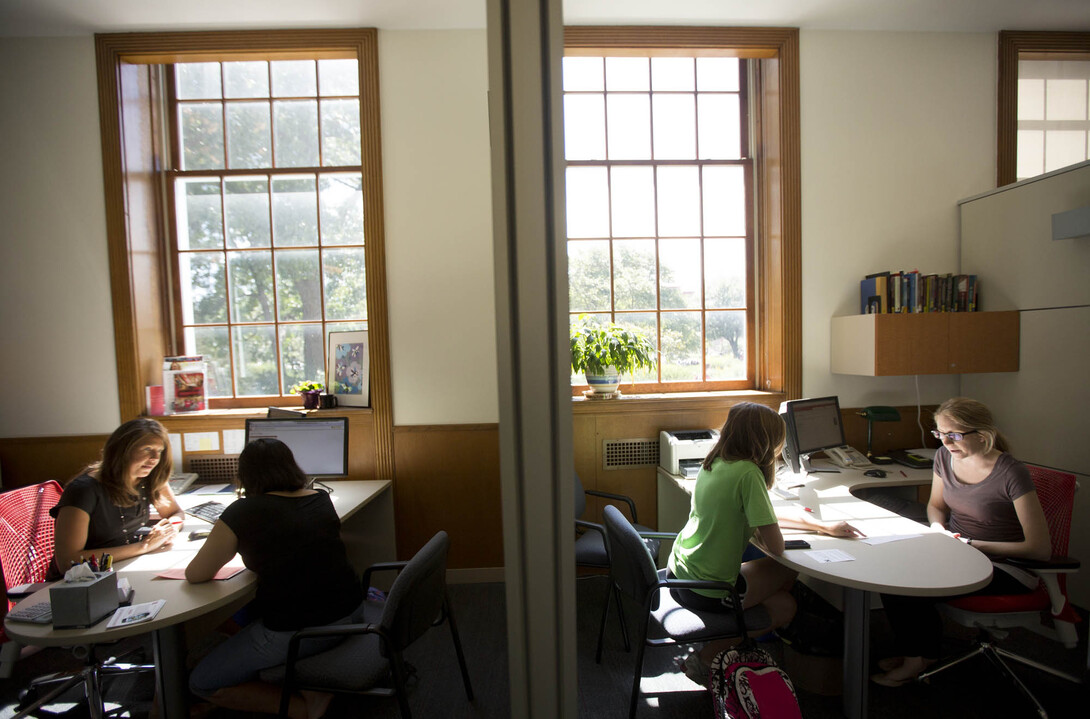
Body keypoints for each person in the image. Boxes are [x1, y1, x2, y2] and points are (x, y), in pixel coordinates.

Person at [668, 402, 862, 683]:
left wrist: (822, 526)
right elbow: (776, 546)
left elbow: (765, 517)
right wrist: (814, 531)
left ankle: (742, 636)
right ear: (766, 441)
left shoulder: (718, 461)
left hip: (682, 574)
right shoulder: (748, 474)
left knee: (782, 601)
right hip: (709, 589)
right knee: (787, 596)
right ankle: (707, 658)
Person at [872, 397, 1051, 687]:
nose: (945, 442)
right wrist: (938, 529)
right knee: (891, 569)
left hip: (1006, 566)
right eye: (939, 434)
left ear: (983, 434)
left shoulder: (1011, 473)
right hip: (959, 550)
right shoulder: (945, 457)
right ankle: (921, 654)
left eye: (953, 435)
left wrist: (973, 545)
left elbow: (1040, 548)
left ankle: (917, 658)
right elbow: (936, 506)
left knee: (906, 586)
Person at [186, 438, 363, 719]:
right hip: (352, 613)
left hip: (299, 631)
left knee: (201, 682)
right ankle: (303, 683)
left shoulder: (242, 511)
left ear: (246, 475)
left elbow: (196, 575)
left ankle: (305, 707)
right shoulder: (320, 498)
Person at [51, 418, 183, 578]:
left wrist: (169, 530)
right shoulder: (83, 491)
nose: (155, 458)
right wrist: (145, 546)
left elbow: (175, 513)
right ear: (122, 451)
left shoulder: (149, 478)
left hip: (123, 568)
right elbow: (67, 562)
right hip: (82, 582)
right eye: (147, 449)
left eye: (160, 451)